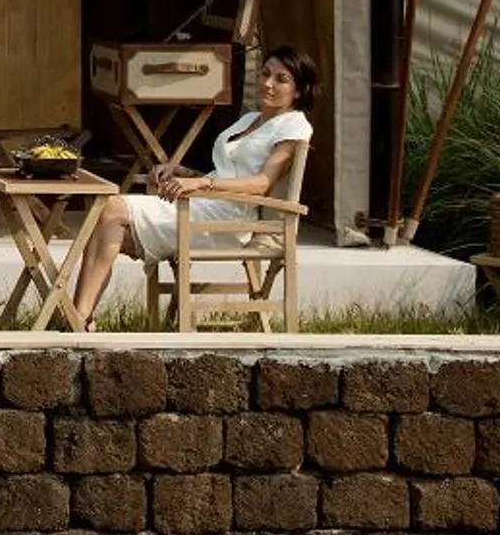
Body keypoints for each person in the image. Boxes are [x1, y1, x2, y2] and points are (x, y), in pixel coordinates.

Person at [71, 46, 316, 327]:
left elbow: (261, 184)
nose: (268, 84)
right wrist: (183, 172)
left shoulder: (294, 126)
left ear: (298, 91)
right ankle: (82, 320)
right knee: (106, 223)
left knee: (112, 207)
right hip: (207, 205)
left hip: (230, 221)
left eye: (281, 79)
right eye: (265, 74)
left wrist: (201, 182)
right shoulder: (251, 120)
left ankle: (77, 319)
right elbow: (229, 172)